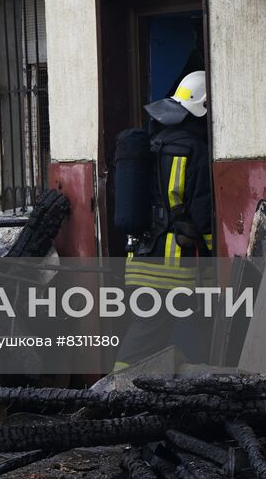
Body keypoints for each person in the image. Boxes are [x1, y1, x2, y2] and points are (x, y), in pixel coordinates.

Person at [112, 70, 215, 370]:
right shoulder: (195, 149)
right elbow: (203, 212)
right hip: (174, 270)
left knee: (154, 336)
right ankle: (114, 394)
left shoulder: (155, 143)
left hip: (140, 261)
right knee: (149, 338)